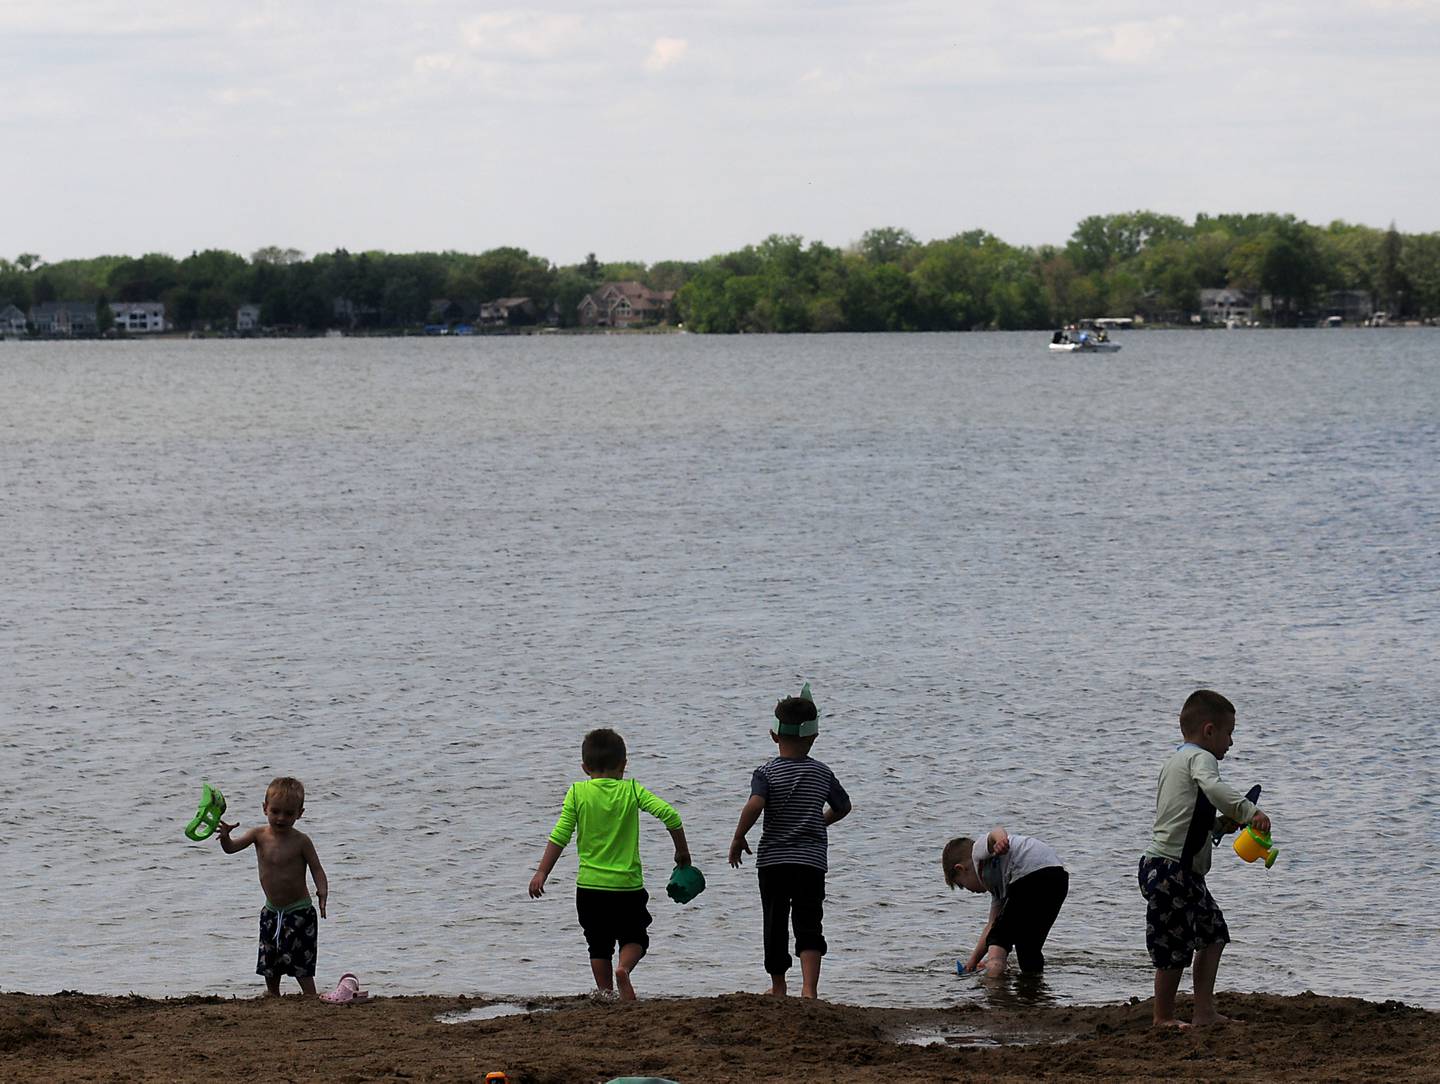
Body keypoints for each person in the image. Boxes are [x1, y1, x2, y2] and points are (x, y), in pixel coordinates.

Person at [1139, 689, 1272, 1027]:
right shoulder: (1201, 759)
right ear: (1209, 730)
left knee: (1213, 934)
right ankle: (1163, 1018)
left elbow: (1182, 817)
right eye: (1229, 733)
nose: (1231, 743)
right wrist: (1248, 811)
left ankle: (1203, 1012)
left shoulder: (1174, 761)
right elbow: (1214, 788)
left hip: (1171, 868)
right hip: (1172, 869)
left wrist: (1218, 826)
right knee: (1172, 947)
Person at [528, 727, 691, 1001]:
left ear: (584, 767)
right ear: (624, 765)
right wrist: (682, 853)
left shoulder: (577, 793)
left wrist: (542, 872)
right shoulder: (632, 791)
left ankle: (605, 994)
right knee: (635, 937)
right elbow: (671, 816)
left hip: (590, 888)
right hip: (627, 888)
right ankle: (624, 969)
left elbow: (560, 836)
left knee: (598, 945)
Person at [728, 684, 851, 998]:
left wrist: (739, 835)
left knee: (775, 922)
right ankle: (809, 989)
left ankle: (779, 987)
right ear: (813, 737)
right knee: (809, 922)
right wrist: (818, 821)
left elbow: (756, 804)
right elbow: (843, 807)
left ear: (774, 735)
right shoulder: (822, 773)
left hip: (773, 863)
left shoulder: (766, 773)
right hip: (810, 863)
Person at [217, 776, 329, 997]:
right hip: (271, 910)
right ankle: (273, 993)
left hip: (299, 910)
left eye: (289, 813)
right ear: (264, 808)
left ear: (300, 813)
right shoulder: (258, 835)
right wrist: (225, 837)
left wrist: (322, 891)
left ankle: (310, 994)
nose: (281, 818)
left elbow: (316, 868)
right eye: (275, 811)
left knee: (301, 958)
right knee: (270, 955)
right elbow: (231, 849)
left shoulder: (301, 841)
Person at [941, 826, 1068, 978]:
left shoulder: (977, 853)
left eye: (962, 885)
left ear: (961, 869)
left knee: (999, 937)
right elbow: (992, 924)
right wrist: (972, 963)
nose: (969, 890)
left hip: (1030, 874)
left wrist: (1000, 840)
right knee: (1028, 946)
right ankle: (1033, 988)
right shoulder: (999, 886)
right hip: (1057, 880)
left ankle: (994, 983)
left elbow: (995, 832)